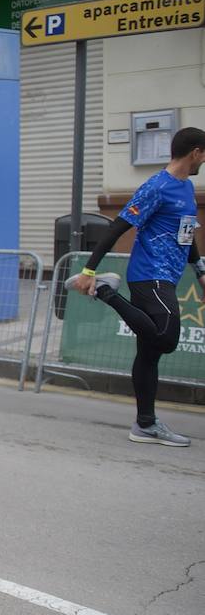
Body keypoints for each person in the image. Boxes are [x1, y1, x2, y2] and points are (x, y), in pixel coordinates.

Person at [67, 126, 204, 447]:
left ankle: (145, 425)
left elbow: (187, 232)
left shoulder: (185, 187)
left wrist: (198, 268)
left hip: (167, 275)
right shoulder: (157, 187)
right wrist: (89, 270)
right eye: (204, 154)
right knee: (166, 338)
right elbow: (118, 226)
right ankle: (104, 290)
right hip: (149, 274)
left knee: (150, 353)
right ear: (195, 152)